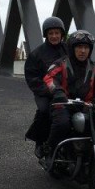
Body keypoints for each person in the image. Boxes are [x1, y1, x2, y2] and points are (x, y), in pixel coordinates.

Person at [42, 30, 95, 168]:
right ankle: (50, 149)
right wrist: (58, 92)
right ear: (72, 48)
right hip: (64, 103)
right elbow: (49, 79)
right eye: (79, 47)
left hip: (87, 104)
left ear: (90, 50)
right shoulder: (60, 64)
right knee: (62, 123)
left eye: (86, 47)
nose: (83, 51)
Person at [24, 16, 69, 158]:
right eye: (51, 33)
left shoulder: (69, 49)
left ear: (62, 34)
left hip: (66, 90)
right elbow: (32, 78)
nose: (54, 36)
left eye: (57, 33)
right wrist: (49, 90)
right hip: (45, 91)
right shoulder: (36, 54)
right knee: (44, 110)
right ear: (46, 35)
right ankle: (40, 141)